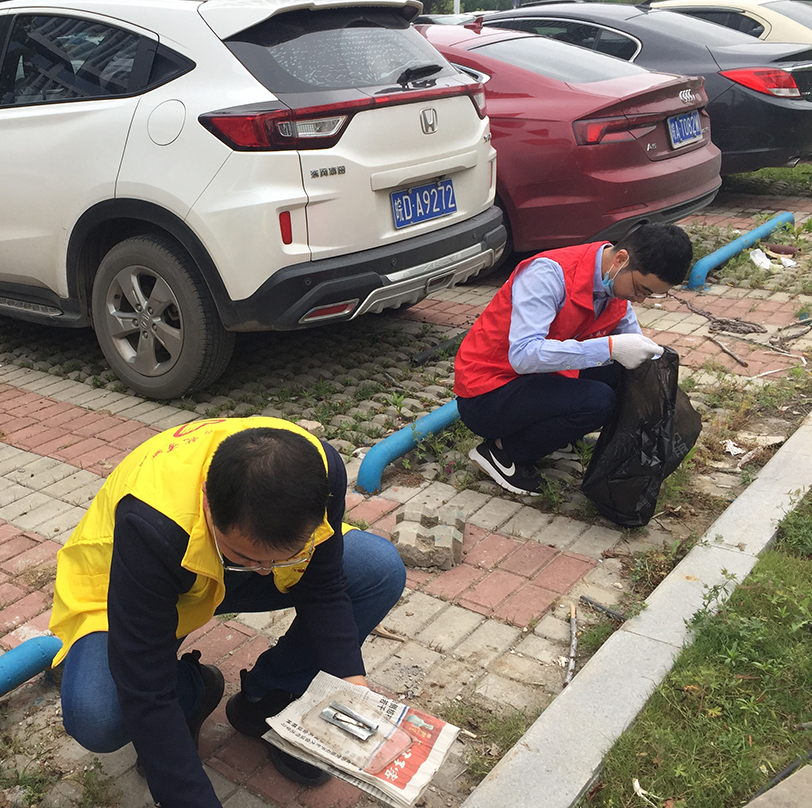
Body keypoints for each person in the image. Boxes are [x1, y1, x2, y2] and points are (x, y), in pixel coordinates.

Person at [48, 418, 406, 807]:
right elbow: (145, 687)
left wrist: (353, 689)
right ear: (207, 500)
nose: (266, 572)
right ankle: (193, 689)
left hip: (213, 563)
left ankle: (268, 697)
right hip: (134, 582)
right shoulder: (150, 523)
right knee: (97, 717)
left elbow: (324, 584)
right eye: (246, 556)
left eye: (286, 555)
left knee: (377, 569)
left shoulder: (321, 469)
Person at [454, 223, 694, 495]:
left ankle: (559, 434)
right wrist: (609, 348)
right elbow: (523, 355)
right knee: (598, 401)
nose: (639, 299)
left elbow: (631, 343)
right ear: (621, 259)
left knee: (624, 374)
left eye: (649, 295)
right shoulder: (548, 275)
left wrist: (652, 368)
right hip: (488, 393)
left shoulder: (614, 285)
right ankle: (502, 453)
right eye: (641, 289)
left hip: (534, 379)